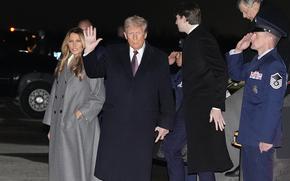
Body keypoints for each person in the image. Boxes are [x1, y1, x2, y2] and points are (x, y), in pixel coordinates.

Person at [83, 15, 175, 181]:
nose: (134, 37)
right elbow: (93, 71)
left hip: (144, 126)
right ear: (125, 35)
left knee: (137, 172)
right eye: (130, 33)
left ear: (145, 34)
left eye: (138, 33)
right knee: (112, 172)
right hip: (114, 123)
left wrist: (165, 123)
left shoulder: (159, 58)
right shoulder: (112, 52)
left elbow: (166, 92)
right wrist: (88, 51)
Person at [173, 2, 233, 180]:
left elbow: (221, 71)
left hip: (204, 110)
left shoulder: (202, 38)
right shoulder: (193, 39)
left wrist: (216, 105)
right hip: (193, 109)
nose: (175, 22)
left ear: (184, 18)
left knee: (203, 160)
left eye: (177, 18)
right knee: (196, 158)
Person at [226, 17, 287, 181]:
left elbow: (273, 105)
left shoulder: (274, 65)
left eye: (255, 33)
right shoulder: (257, 61)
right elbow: (236, 74)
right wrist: (238, 50)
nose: (250, 37)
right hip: (249, 134)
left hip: (261, 137)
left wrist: (266, 138)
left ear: (268, 36)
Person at [42, 27, 105, 181]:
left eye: (78, 41)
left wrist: (80, 113)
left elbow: (98, 96)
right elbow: (55, 94)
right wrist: (51, 125)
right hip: (60, 125)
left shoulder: (90, 63)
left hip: (80, 126)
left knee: (76, 167)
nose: (74, 45)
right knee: (60, 167)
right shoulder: (63, 62)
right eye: (71, 41)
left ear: (84, 43)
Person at [161, 51, 197, 181]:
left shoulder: (195, 74)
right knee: (185, 156)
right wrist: (165, 64)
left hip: (189, 118)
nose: (176, 56)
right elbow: (162, 80)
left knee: (170, 149)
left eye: (180, 54)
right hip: (182, 118)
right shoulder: (181, 74)